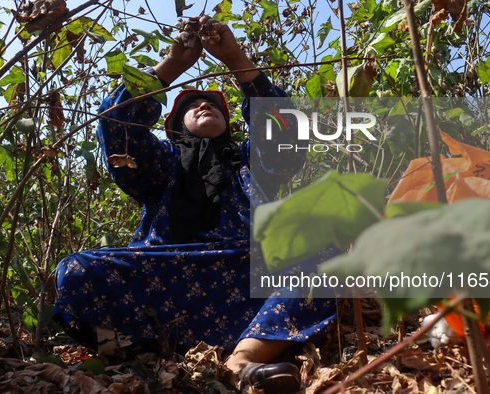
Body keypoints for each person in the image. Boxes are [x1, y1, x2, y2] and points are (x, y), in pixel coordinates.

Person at [53, 16, 336, 393]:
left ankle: (244, 359)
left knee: (324, 255)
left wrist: (235, 58)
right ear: (176, 128)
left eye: (214, 105)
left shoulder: (251, 161)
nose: (206, 106)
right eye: (194, 105)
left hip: (246, 273)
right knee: (75, 270)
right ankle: (148, 354)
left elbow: (287, 130)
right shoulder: (162, 164)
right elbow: (117, 126)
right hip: (169, 273)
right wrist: (173, 65)